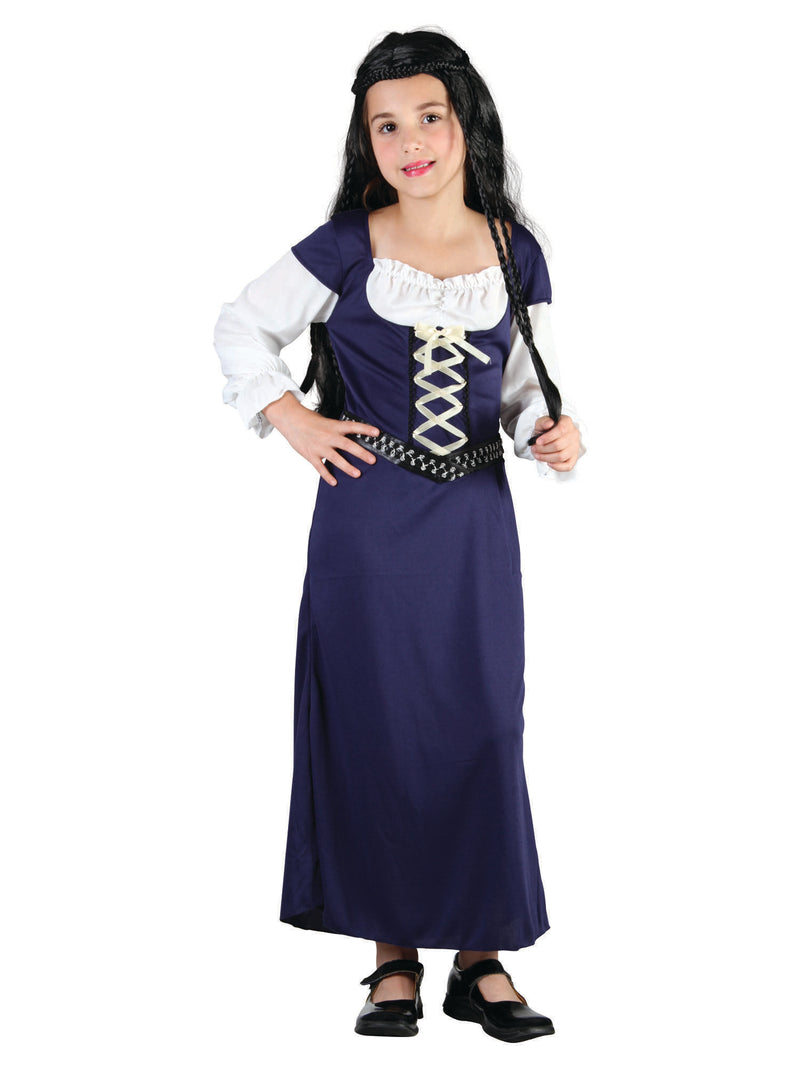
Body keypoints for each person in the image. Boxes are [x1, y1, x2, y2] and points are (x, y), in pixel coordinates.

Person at [213, 27, 586, 1043]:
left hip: (471, 527)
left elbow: (524, 392)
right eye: (385, 125)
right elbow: (239, 325)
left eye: (428, 116)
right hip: (366, 525)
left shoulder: (516, 250)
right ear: (365, 140)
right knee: (379, 724)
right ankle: (392, 957)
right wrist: (290, 418)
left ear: (467, 122)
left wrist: (548, 432)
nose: (410, 140)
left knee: (481, 724)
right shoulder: (347, 244)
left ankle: (479, 955)